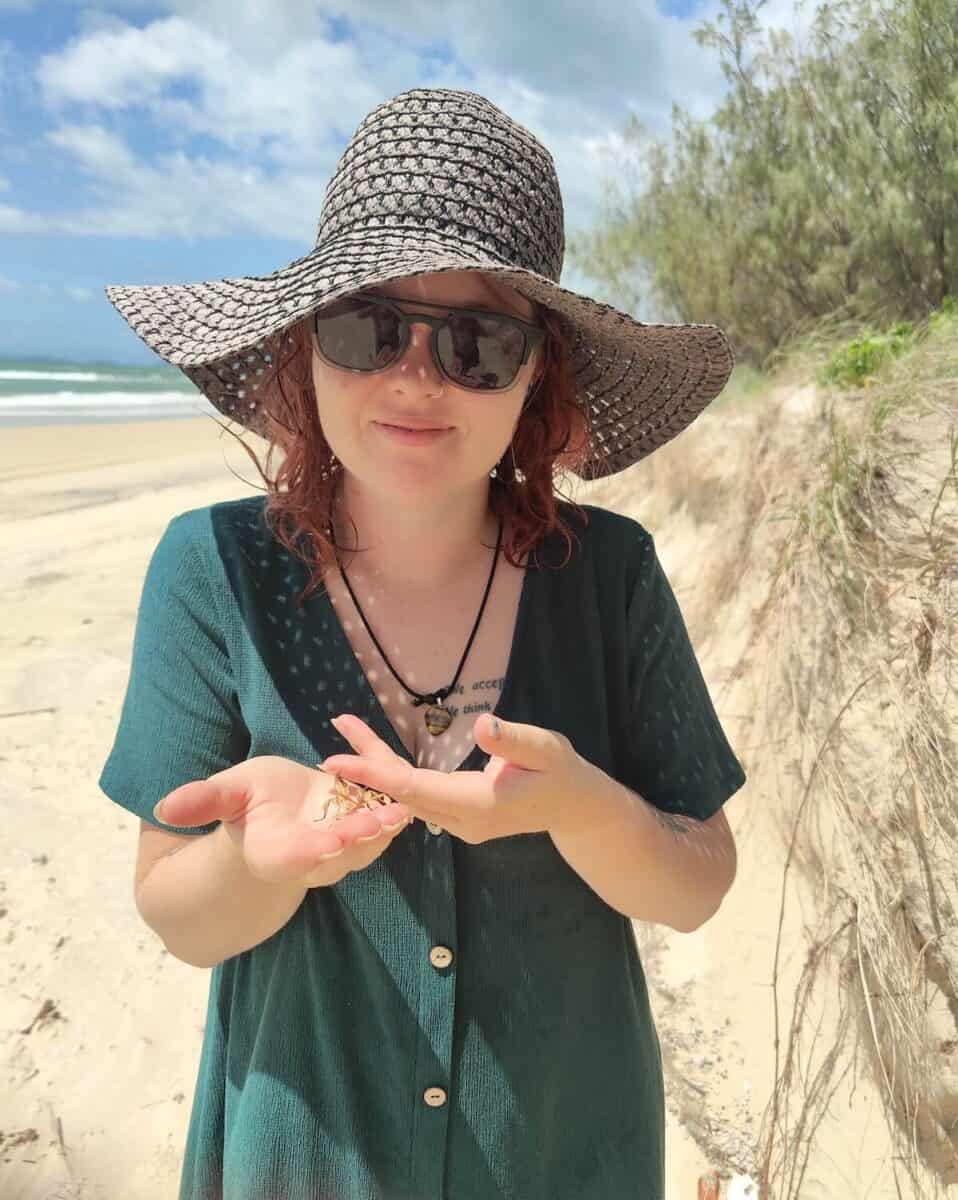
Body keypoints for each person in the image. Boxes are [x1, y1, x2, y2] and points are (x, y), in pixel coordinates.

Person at [99, 87, 746, 1200]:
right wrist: (259, 864)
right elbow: (176, 917)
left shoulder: (612, 580)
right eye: (371, 328)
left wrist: (578, 805)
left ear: (538, 371)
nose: (413, 379)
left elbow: (695, 887)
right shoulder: (214, 573)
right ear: (308, 348)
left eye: (477, 343)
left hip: (565, 1151)